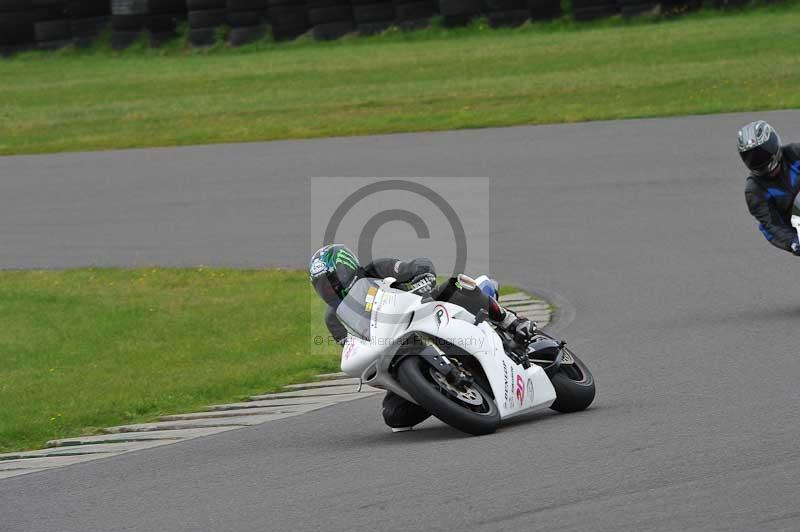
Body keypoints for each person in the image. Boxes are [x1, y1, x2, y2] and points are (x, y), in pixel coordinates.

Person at [309, 244, 536, 431]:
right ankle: (439, 394)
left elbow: (420, 266)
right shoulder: (334, 319)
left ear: (347, 268)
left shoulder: (377, 269)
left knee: (455, 286)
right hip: (395, 347)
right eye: (323, 287)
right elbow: (352, 344)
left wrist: (422, 280)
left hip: (427, 311)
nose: (330, 289)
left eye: (333, 281)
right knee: (394, 416)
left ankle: (510, 321)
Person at [739, 120, 800, 255]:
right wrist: (793, 242)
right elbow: (772, 226)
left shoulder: (795, 153)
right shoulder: (754, 190)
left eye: (761, 153)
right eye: (751, 157)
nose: (757, 160)